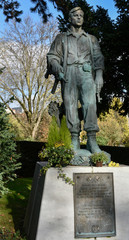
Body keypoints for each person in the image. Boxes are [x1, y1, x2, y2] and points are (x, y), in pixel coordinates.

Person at [46, 7, 104, 153]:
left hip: (86, 73)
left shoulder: (91, 39)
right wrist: (57, 68)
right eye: (75, 15)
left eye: (81, 15)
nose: (79, 18)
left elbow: (98, 58)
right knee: (70, 105)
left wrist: (99, 75)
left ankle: (92, 140)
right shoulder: (62, 38)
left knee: (90, 105)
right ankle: (74, 140)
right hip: (68, 72)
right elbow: (52, 56)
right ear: (70, 18)